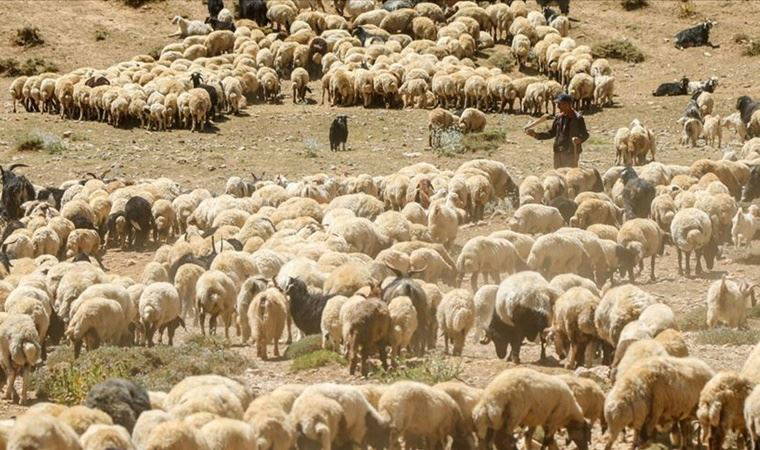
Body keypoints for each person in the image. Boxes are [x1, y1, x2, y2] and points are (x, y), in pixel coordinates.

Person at [525, 93, 589, 169]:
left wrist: (579, 140)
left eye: (560, 104)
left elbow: (585, 134)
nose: (558, 106)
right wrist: (536, 135)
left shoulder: (578, 118)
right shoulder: (559, 117)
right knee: (558, 174)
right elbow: (551, 133)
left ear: (568, 104)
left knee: (569, 174)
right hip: (558, 151)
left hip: (571, 152)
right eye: (557, 104)